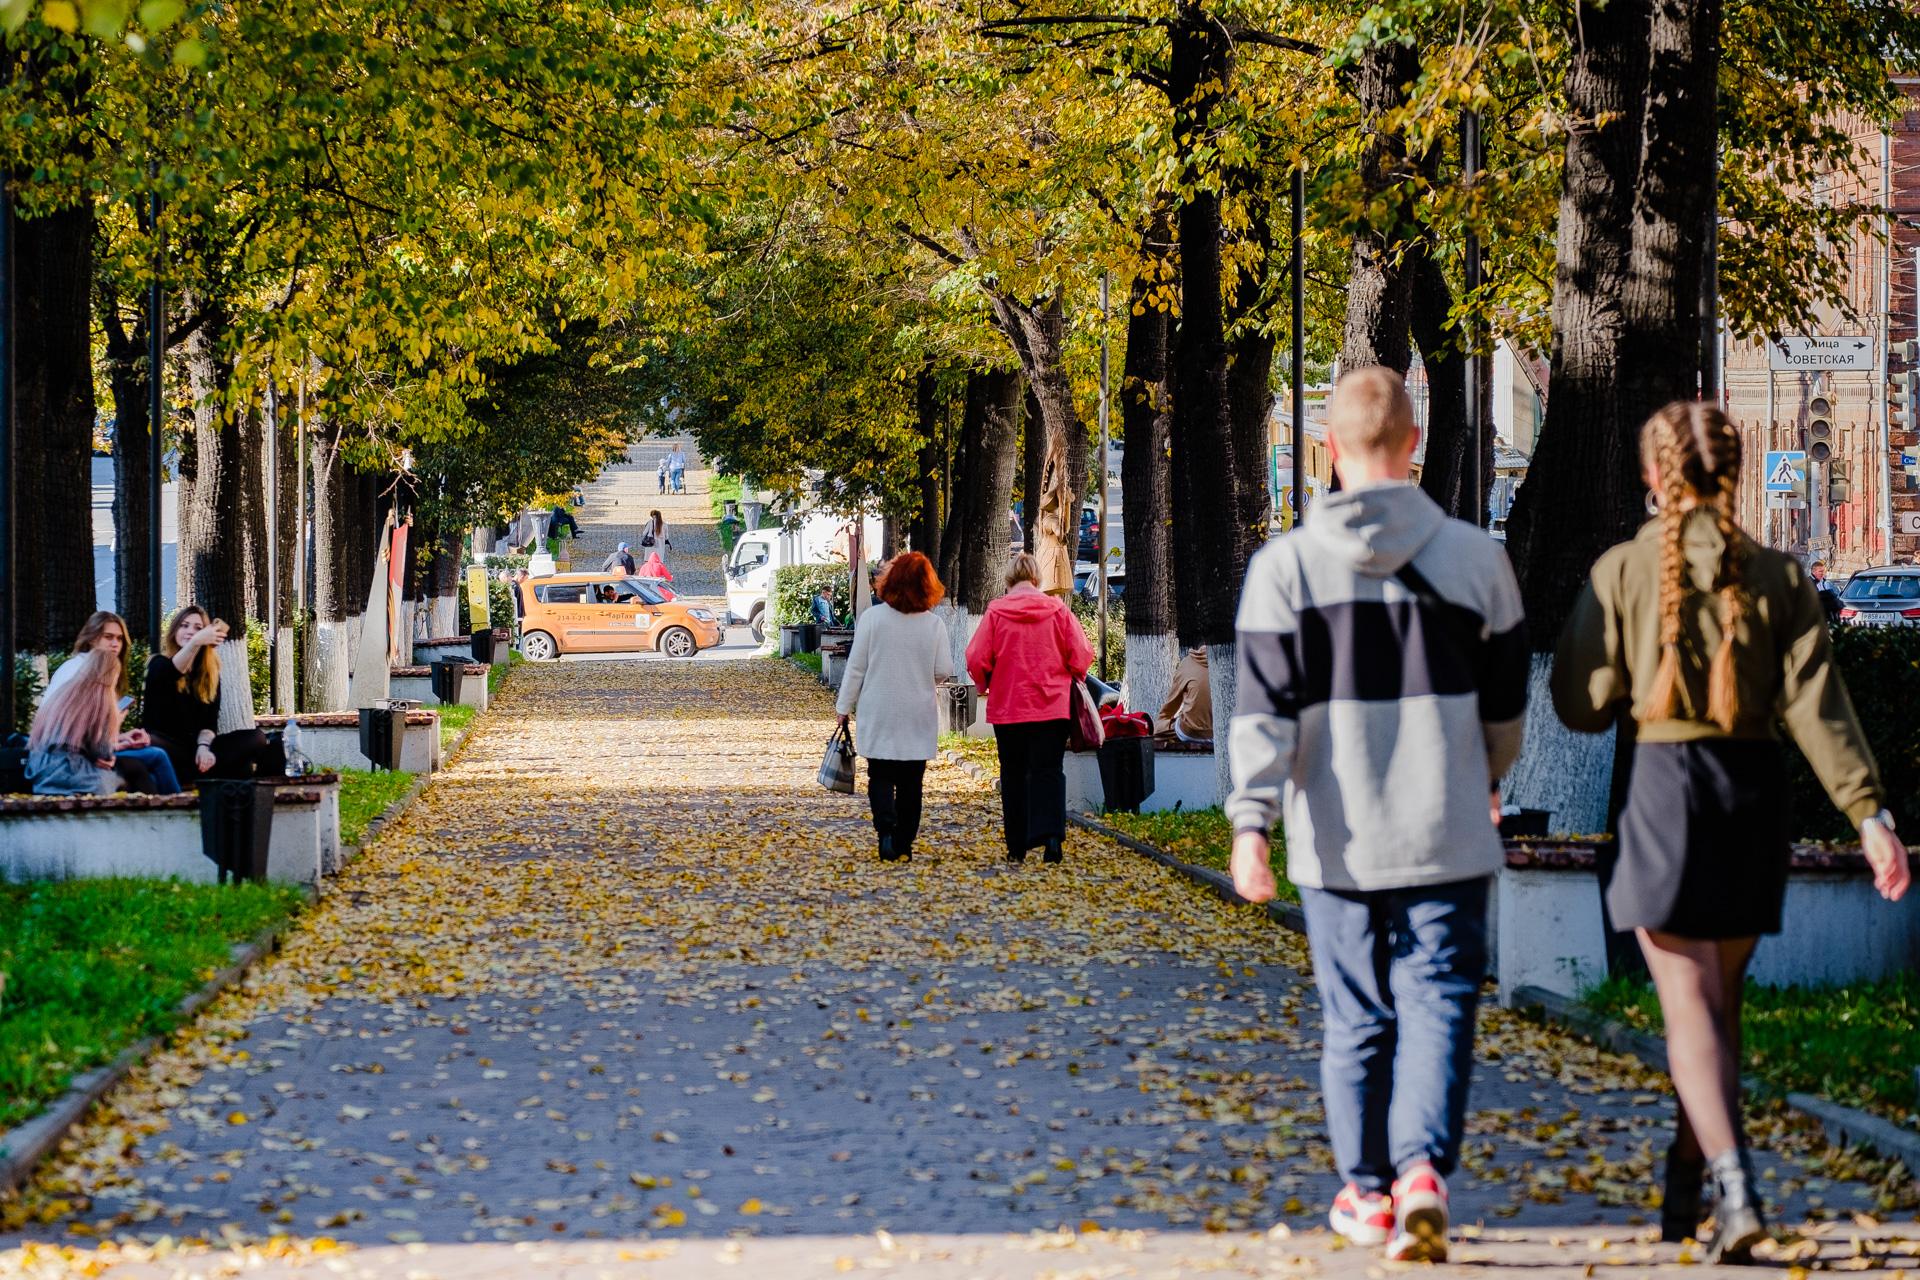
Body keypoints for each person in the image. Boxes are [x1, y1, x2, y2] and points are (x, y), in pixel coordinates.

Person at [1552, 402, 1909, 1263]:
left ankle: (1737, 1185)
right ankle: (1688, 1177)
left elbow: (1580, 701)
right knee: (1719, 1006)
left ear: (1651, 477)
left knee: (1689, 1012)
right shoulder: (1781, 577)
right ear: (1737, 474)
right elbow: (1819, 710)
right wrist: (1870, 814)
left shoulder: (1624, 570)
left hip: (1665, 795)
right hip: (1751, 796)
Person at [1226, 367, 1527, 1263]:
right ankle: (1423, 1174)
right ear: (1414, 447)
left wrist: (1252, 826)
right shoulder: (1479, 559)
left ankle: (1365, 1194)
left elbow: (1264, 714)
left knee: (1357, 1016)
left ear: (1327, 449)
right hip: (1448, 830)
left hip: (1336, 839)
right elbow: (1506, 707)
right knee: (1438, 1001)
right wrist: (1486, 776)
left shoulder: (1284, 570)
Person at [966, 551, 1093, 864]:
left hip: (1009, 707)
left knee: (1013, 774)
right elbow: (1082, 653)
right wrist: (1072, 675)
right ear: (1037, 579)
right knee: (1048, 771)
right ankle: (1051, 839)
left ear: (1010, 580)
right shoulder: (1058, 610)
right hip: (1051, 707)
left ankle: (1017, 846)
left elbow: (976, 657)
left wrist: (984, 684)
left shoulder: (996, 611)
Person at [835, 553, 955, 862]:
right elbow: (943, 669)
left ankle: (885, 831)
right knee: (912, 781)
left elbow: (856, 668)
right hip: (917, 712)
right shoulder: (933, 624)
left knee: (881, 775)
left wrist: (844, 707)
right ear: (926, 584)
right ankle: (904, 842)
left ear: (889, 582)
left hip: (879, 711)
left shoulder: (873, 620)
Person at [45, 611, 181, 793]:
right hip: (69, 758)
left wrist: (121, 739)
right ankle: (184, 816)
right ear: (92, 638)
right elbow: (71, 730)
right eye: (108, 637)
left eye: (119, 638)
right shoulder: (82, 671)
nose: (115, 644)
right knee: (157, 756)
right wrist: (112, 734)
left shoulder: (87, 667)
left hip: (83, 751)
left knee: (151, 774)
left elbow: (90, 731)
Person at [143, 605, 272, 785]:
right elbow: (174, 671)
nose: (190, 632)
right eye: (184, 625)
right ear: (174, 631)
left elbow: (209, 724)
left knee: (256, 738)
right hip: (167, 748)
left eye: (198, 628)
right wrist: (195, 641)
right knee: (150, 742)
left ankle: (209, 776)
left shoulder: (209, 675)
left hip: (197, 751)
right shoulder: (158, 664)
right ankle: (207, 777)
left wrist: (204, 748)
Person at [26, 650, 145, 795]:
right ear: (112, 674)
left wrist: (119, 745)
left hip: (41, 770)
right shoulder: (101, 698)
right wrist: (117, 720)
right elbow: (103, 754)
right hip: (71, 775)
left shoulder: (64, 691)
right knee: (135, 771)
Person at [1153, 647, 1214, 746]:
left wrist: (1160, 725)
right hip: (1224, 732)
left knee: (1158, 728)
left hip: (1189, 731)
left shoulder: (1188, 663)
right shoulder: (1233, 659)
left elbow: (1170, 705)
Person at [1809, 559, 1842, 623]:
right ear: (1813, 572)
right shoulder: (1808, 583)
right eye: (1820, 571)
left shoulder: (1826, 582)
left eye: (1823, 571)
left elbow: (1836, 595)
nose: (1823, 573)